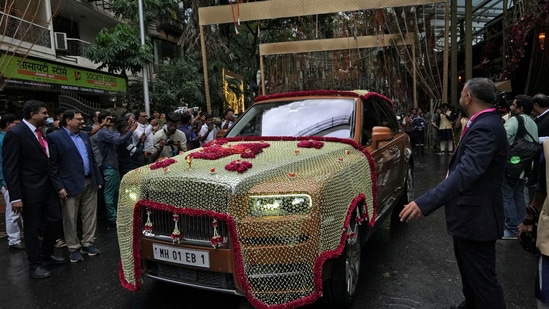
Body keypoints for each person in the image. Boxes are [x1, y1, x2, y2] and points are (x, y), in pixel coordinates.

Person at [399, 78, 507, 309]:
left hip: (477, 219)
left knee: (483, 282)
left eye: (461, 92)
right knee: (472, 277)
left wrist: (424, 202)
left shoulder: (486, 126)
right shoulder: (481, 122)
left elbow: (466, 173)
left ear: (468, 96)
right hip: (469, 218)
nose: (459, 97)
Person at [3, 100, 68, 278]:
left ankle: (46, 255)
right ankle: (35, 264)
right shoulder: (16, 134)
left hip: (48, 188)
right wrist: (15, 197)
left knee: (54, 220)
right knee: (32, 229)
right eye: (44, 113)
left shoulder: (41, 133)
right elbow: (10, 167)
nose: (47, 116)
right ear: (33, 114)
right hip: (29, 191)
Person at [47, 110, 103, 263]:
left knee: (90, 215)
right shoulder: (55, 137)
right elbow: (53, 165)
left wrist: (97, 178)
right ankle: (73, 247)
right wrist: (59, 186)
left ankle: (88, 243)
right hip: (68, 184)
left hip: (89, 181)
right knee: (70, 218)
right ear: (68, 121)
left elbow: (91, 158)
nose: (82, 122)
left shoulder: (84, 136)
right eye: (78, 119)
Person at [501, 95, 538, 239]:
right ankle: (521, 226)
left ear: (520, 108)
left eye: (514, 105)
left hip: (512, 166)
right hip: (525, 166)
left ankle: (511, 229)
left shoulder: (515, 120)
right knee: (518, 195)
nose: (510, 107)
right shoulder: (532, 122)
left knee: (506, 197)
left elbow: (501, 138)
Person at [96, 111, 137, 225]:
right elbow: (118, 141)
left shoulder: (109, 132)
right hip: (109, 166)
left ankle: (115, 215)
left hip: (113, 166)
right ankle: (112, 217)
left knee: (115, 193)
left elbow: (119, 136)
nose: (111, 121)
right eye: (109, 119)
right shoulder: (103, 133)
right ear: (102, 120)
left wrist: (127, 126)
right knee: (109, 193)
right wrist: (132, 130)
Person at [0, 113, 24, 250]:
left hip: (15, 179)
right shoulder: (3, 139)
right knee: (12, 211)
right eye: (16, 123)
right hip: (9, 182)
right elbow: (3, 163)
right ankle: (14, 241)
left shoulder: (11, 137)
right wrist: (4, 181)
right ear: (8, 124)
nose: (18, 125)